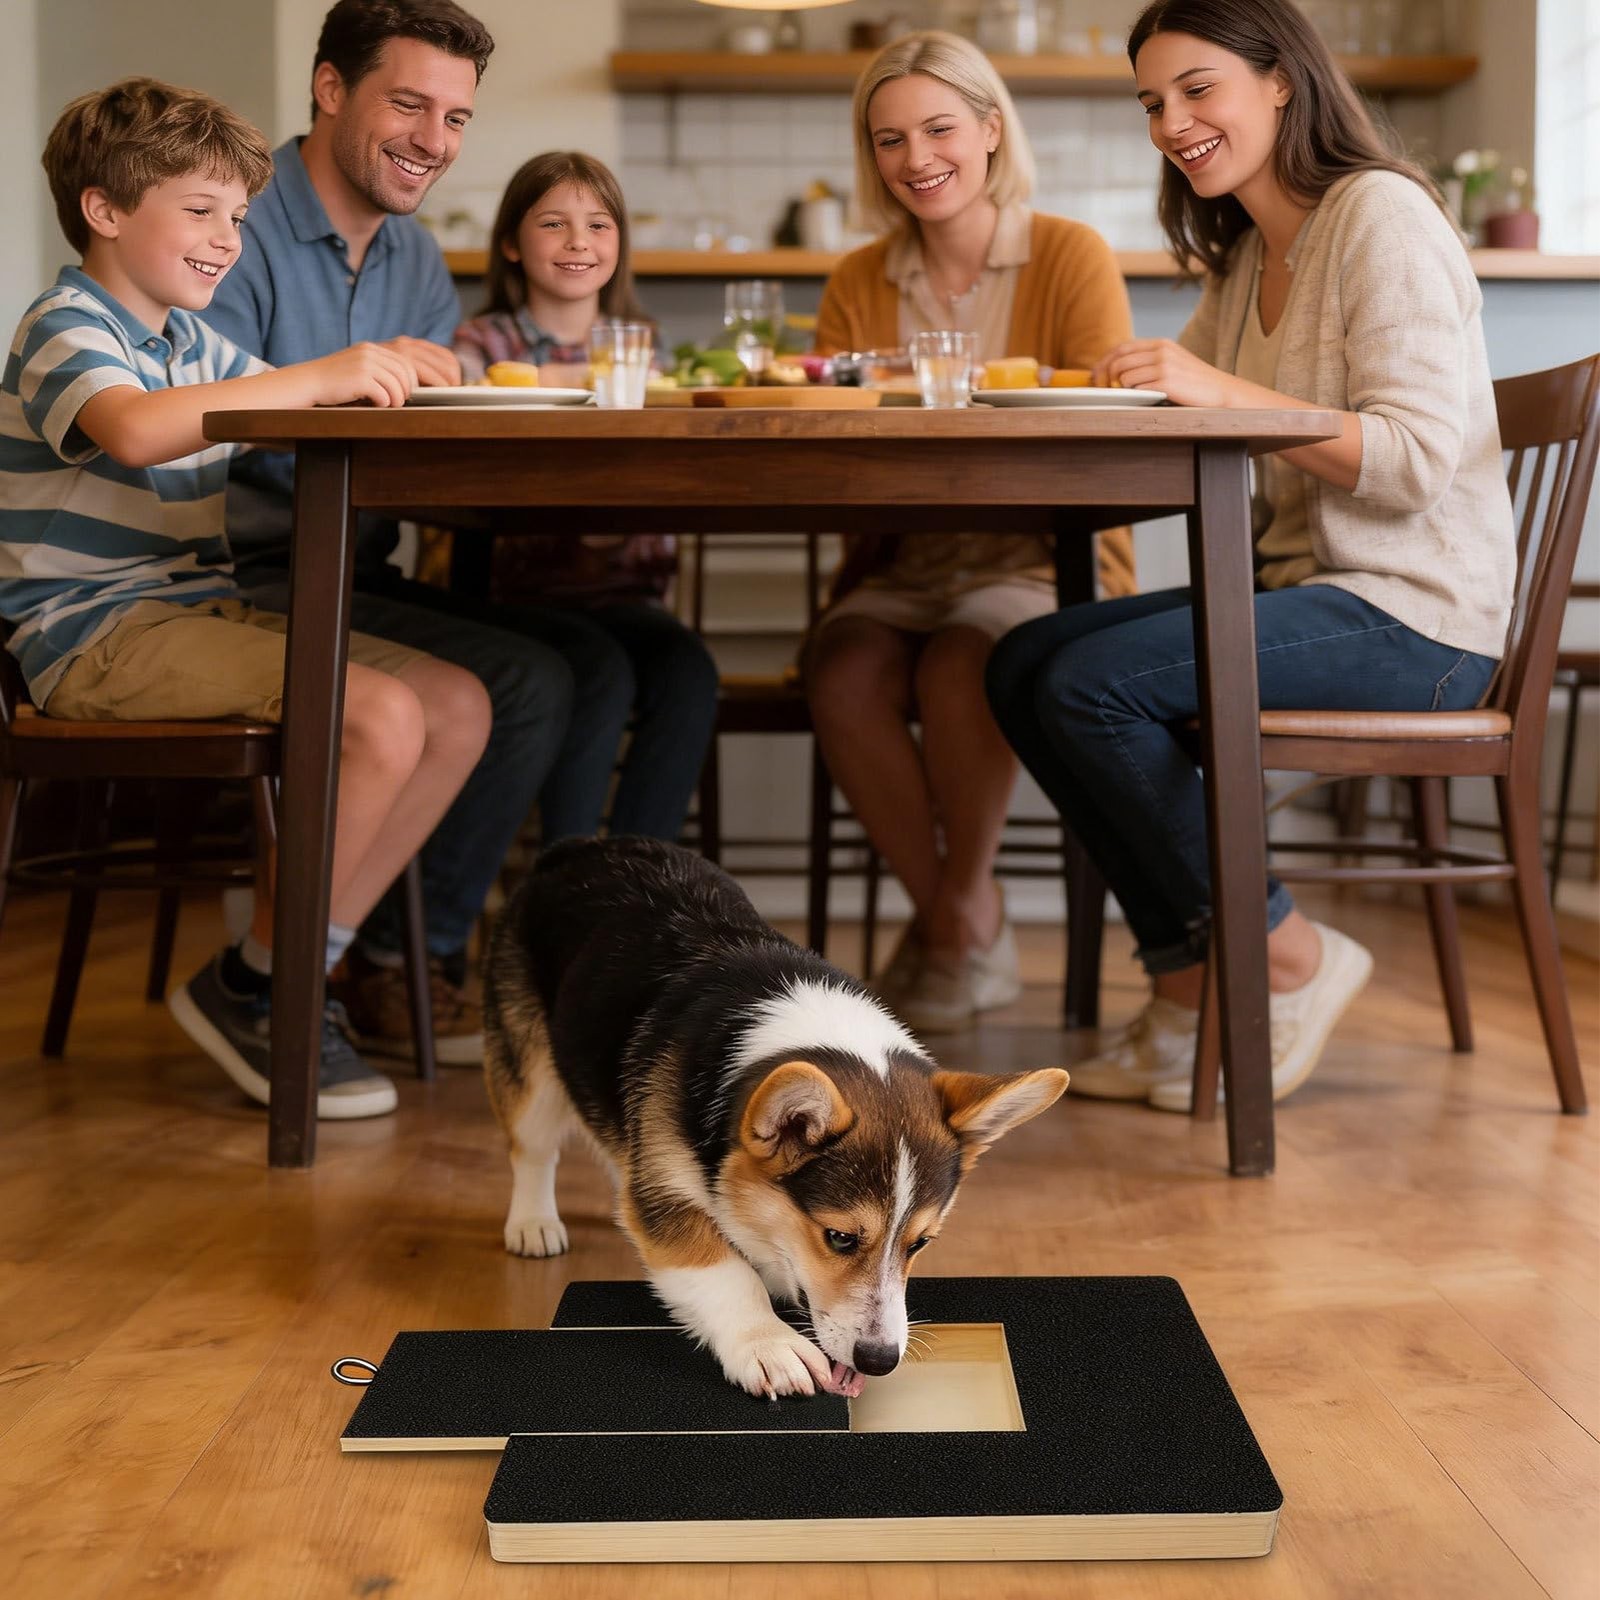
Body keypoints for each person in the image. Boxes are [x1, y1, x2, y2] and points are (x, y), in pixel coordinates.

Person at [986, 0, 1515, 1111]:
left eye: (1195, 89)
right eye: (1151, 103)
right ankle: (1189, 988)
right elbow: (1171, 406)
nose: (1171, 121)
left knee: (1086, 686)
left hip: (1416, 620)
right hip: (1310, 595)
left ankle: (1287, 956)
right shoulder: (1244, 258)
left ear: (1280, 80)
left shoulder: (1381, 215)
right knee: (1023, 663)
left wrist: (1216, 390)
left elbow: (1417, 459)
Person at [2, 77, 492, 1119]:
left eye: (236, 216)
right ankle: (274, 985)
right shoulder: (63, 323)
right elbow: (136, 429)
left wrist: (386, 370)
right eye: (201, 212)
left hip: (192, 618)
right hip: (94, 636)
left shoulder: (191, 342)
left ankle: (268, 976)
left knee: (458, 704)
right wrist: (322, 375)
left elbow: (289, 388)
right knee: (380, 710)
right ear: (104, 209)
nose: (228, 240)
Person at [200, 0, 635, 1066]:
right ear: (330, 88)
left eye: (455, 118)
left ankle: (389, 958)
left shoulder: (415, 265)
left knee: (566, 667)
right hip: (236, 571)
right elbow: (199, 430)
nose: (432, 140)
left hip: (353, 564)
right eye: (408, 104)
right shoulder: (228, 229)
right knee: (524, 679)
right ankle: (350, 966)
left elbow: (411, 454)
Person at [808, 31, 1137, 1032]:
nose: (916, 157)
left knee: (965, 663)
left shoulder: (1068, 253)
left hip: (1042, 559)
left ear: (991, 130)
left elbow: (1107, 423)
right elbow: (829, 435)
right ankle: (966, 920)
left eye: (939, 127)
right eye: (889, 139)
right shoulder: (857, 278)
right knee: (841, 671)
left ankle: (952, 924)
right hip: (901, 558)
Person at [451, 151, 717, 841]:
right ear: (511, 242)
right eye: (554, 224)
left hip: (627, 597)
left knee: (689, 675)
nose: (579, 242)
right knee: (598, 678)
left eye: (599, 225)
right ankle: (566, 879)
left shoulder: (648, 354)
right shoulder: (480, 347)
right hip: (518, 601)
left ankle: (637, 880)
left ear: (620, 242)